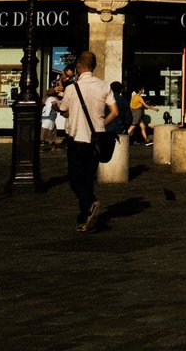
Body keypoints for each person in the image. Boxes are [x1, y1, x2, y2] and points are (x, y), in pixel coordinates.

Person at [56, 50, 117, 233]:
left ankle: (90, 204)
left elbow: (65, 111)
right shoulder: (104, 86)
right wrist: (101, 124)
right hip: (97, 140)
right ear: (94, 66)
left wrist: (56, 106)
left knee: (75, 180)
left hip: (77, 139)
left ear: (79, 67)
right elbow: (115, 112)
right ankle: (85, 219)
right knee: (88, 179)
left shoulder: (71, 88)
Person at [40, 81, 64, 150]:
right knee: (49, 132)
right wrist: (59, 110)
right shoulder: (52, 99)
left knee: (49, 132)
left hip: (45, 117)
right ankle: (45, 145)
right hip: (49, 118)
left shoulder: (46, 98)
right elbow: (54, 106)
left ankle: (53, 146)